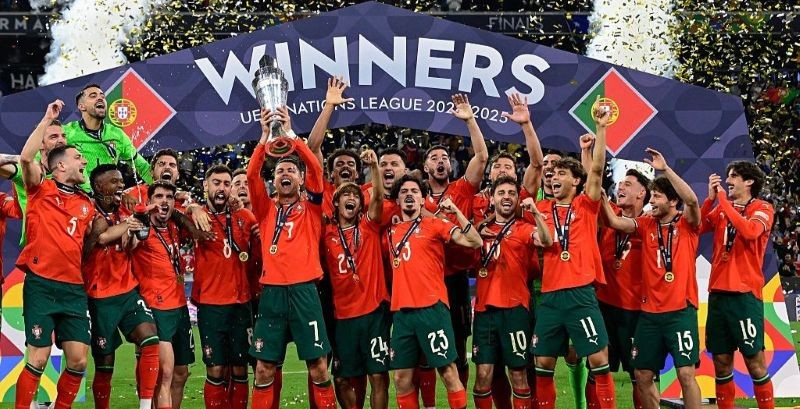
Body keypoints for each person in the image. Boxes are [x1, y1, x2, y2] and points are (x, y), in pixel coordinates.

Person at [246, 106, 336, 409]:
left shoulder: (312, 207)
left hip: (305, 292)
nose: (284, 174)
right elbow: (251, 174)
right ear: (274, 181)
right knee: (263, 369)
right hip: (272, 294)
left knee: (319, 367)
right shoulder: (265, 209)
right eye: (279, 171)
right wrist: (264, 138)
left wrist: (290, 134)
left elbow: (316, 169)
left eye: (291, 171)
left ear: (300, 179)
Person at [601, 148, 703, 409]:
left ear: (672, 201)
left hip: (680, 312)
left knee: (686, 374)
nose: (652, 201)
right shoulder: (646, 224)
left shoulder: (687, 225)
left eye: (657, 196)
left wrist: (665, 169)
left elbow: (692, 201)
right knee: (642, 374)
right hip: (649, 315)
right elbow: (615, 222)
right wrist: (600, 198)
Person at [530, 101, 616, 409]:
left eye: (561, 173)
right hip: (550, 296)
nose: (553, 177)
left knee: (598, 359)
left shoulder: (585, 205)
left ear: (576, 181)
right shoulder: (541, 208)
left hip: (580, 293)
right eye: (552, 174)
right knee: (543, 363)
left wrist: (601, 129)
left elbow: (597, 168)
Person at [13, 100, 96, 409]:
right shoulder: (39, 189)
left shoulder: (87, 204)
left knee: (78, 360)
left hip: (73, 289)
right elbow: (25, 157)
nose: (84, 161)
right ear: (60, 166)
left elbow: (92, 240)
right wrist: (47, 118)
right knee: (38, 356)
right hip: (42, 285)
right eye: (78, 158)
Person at [387, 174, 482, 409]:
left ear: (422, 200)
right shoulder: (391, 232)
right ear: (397, 200)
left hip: (432, 308)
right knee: (401, 378)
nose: (409, 195)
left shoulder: (436, 225)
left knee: (448, 372)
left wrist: (455, 211)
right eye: (404, 192)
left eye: (415, 191)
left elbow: (475, 241)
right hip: (401, 313)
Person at [422, 93, 489, 397]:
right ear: (425, 167)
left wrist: (469, 119)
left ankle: (458, 399)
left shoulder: (462, 188)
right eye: (434, 158)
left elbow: (482, 157)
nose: (441, 161)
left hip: (457, 280)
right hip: (427, 280)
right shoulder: (414, 198)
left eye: (444, 158)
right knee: (426, 349)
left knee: (459, 347)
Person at [83, 164, 160, 409]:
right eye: (114, 181)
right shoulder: (87, 210)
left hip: (128, 291)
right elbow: (102, 237)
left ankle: (145, 406)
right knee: (105, 365)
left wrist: (134, 231)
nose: (120, 185)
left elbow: (128, 246)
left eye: (121, 181)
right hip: (99, 297)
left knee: (150, 339)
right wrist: (131, 221)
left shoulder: (123, 211)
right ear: (98, 186)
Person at [472, 176, 552, 409]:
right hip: (484, 312)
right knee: (482, 378)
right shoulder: (478, 233)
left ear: (518, 200)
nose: (506, 197)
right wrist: (478, 227)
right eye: (501, 193)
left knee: (519, 375)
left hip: (515, 310)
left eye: (511, 193)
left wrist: (535, 213)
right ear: (492, 199)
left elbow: (546, 241)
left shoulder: (523, 228)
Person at [702, 162, 775, 409]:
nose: (728, 181)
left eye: (733, 176)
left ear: (749, 181)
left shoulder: (763, 208)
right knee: (721, 362)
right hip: (718, 295)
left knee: (755, 362)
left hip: (744, 296)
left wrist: (722, 201)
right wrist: (710, 201)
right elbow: (696, 227)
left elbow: (750, 231)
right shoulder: (723, 208)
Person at [322, 149, 391, 409]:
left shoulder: (369, 226)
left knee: (378, 376)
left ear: (361, 205)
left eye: (355, 196)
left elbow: (379, 197)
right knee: (341, 379)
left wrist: (374, 167)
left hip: (374, 313)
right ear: (336, 203)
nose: (350, 198)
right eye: (345, 196)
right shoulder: (326, 233)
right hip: (343, 317)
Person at [192, 164, 258, 409]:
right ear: (205, 185)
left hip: (241, 304)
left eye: (226, 184)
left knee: (240, 368)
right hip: (211, 306)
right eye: (216, 183)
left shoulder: (245, 217)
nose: (221, 188)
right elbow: (171, 209)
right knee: (216, 369)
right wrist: (191, 207)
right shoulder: (196, 217)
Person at [132, 181, 196, 409]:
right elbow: (129, 243)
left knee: (181, 373)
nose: (164, 201)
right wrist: (138, 218)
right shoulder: (142, 229)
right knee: (165, 373)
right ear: (149, 201)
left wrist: (192, 206)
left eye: (169, 197)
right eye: (159, 196)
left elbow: (196, 227)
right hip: (156, 307)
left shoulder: (173, 227)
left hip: (179, 306)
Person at [595, 168, 652, 408]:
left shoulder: (650, 222)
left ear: (642, 193)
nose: (620, 187)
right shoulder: (609, 212)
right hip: (603, 306)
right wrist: (588, 153)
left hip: (635, 310)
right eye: (620, 183)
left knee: (638, 373)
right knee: (597, 369)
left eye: (627, 184)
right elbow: (591, 179)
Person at [64, 83, 153, 191]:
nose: (100, 98)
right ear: (81, 106)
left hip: (109, 196)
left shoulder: (117, 135)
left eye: (102, 96)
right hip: (78, 196)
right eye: (93, 96)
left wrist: (162, 188)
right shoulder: (67, 132)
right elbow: (49, 163)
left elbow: (142, 167)